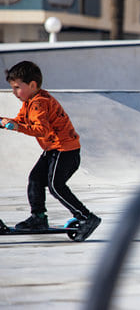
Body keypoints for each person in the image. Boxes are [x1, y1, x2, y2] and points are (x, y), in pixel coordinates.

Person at [1, 61, 100, 241]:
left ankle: (86, 217)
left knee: (55, 186)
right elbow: (20, 121)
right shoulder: (29, 102)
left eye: (17, 87)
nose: (14, 92)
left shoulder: (39, 103)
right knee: (35, 180)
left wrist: (16, 127)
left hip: (65, 150)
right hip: (54, 149)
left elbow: (41, 130)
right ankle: (38, 218)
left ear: (32, 85)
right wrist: (5, 122)